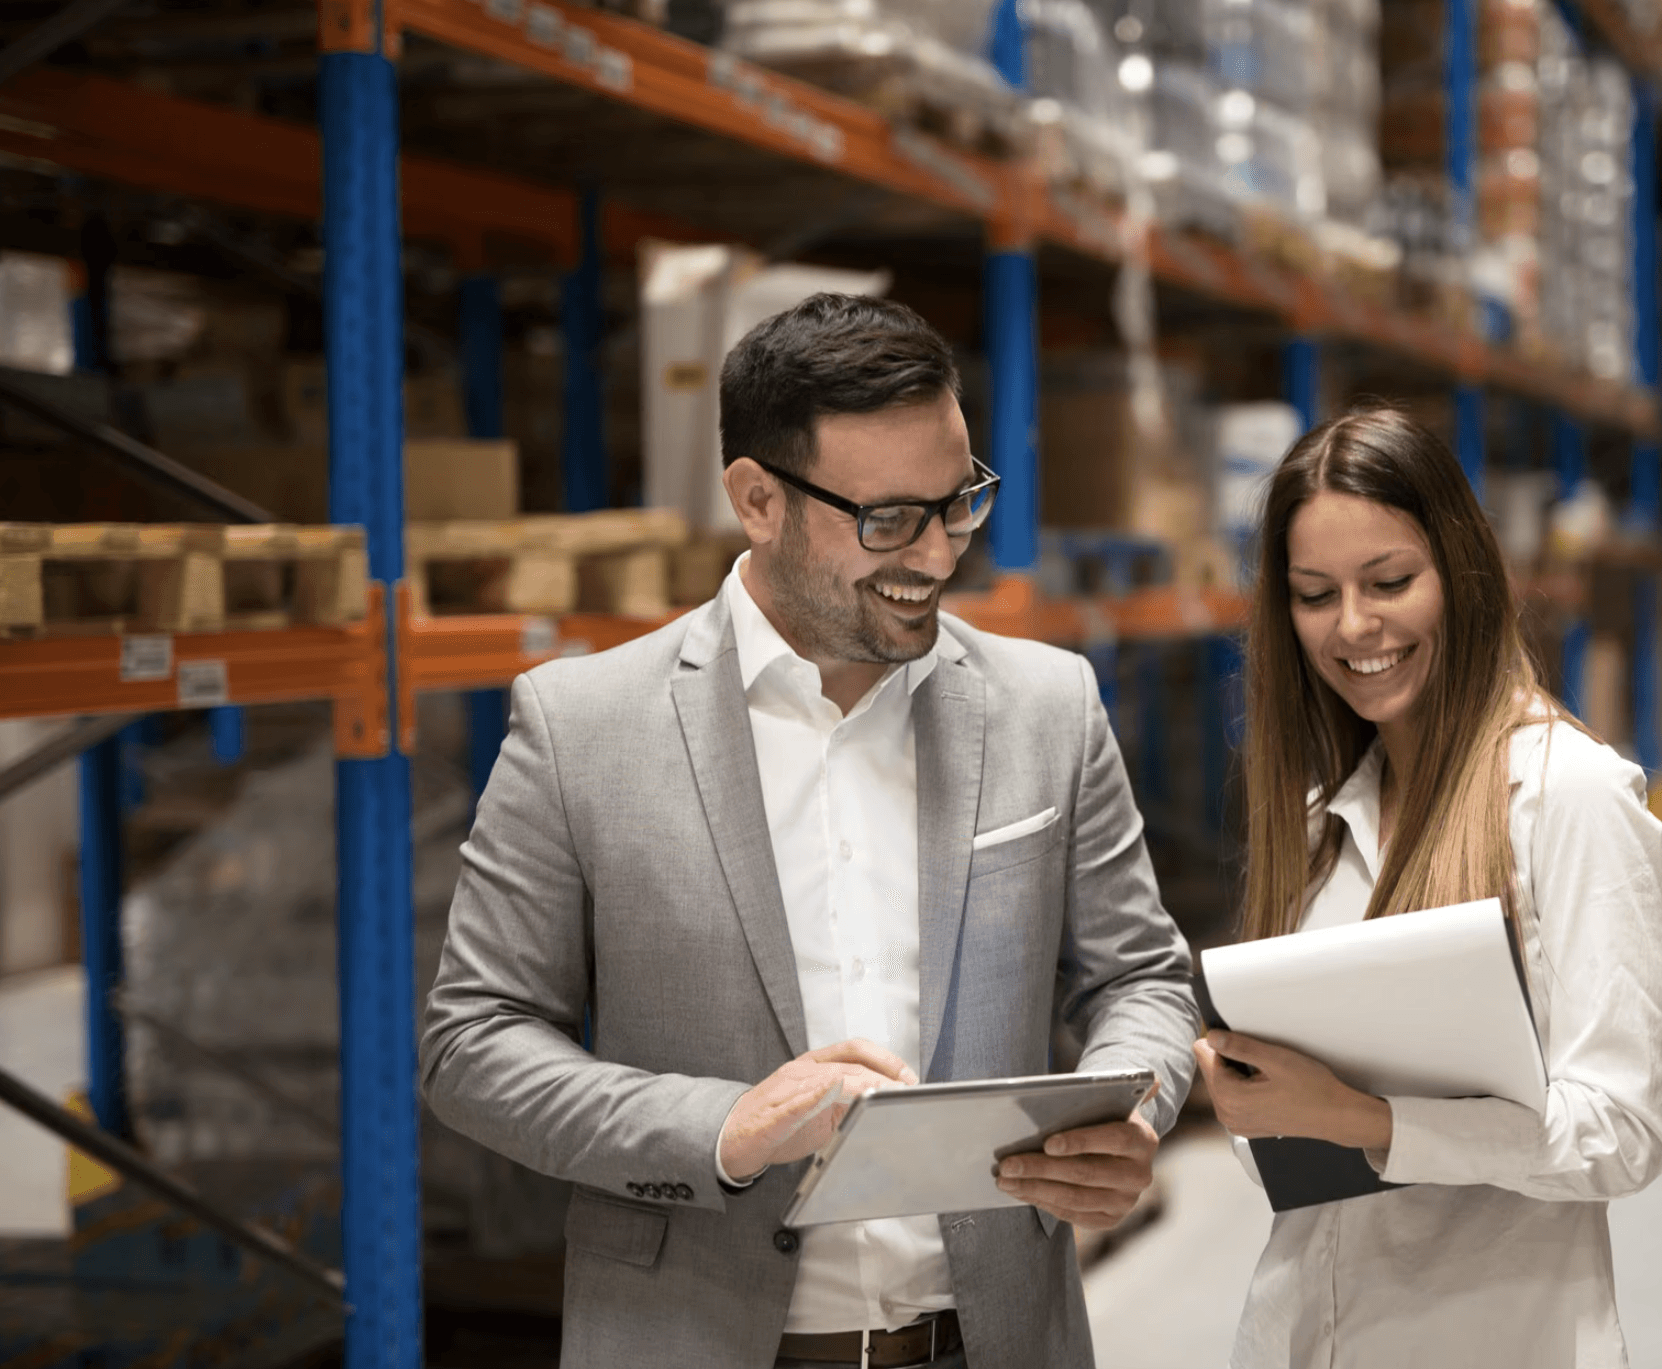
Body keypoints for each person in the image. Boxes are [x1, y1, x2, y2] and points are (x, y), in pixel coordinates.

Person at [421, 293, 1198, 1369]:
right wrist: (723, 1130)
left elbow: (1140, 975)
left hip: (991, 1337)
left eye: (959, 500)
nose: (935, 555)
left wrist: (1137, 1107)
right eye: (886, 519)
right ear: (757, 500)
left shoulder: (1045, 705)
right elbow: (473, 1042)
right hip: (696, 1338)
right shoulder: (582, 726)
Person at [1192, 407, 1662, 1369]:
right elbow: (1283, 1150)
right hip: (1303, 1332)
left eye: (1390, 582)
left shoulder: (1568, 800)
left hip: (1493, 1336)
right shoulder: (1320, 819)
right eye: (1313, 594)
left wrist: (1361, 1121)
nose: (1355, 627)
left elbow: (1622, 1134)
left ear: (1461, 571)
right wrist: (1255, 1102)